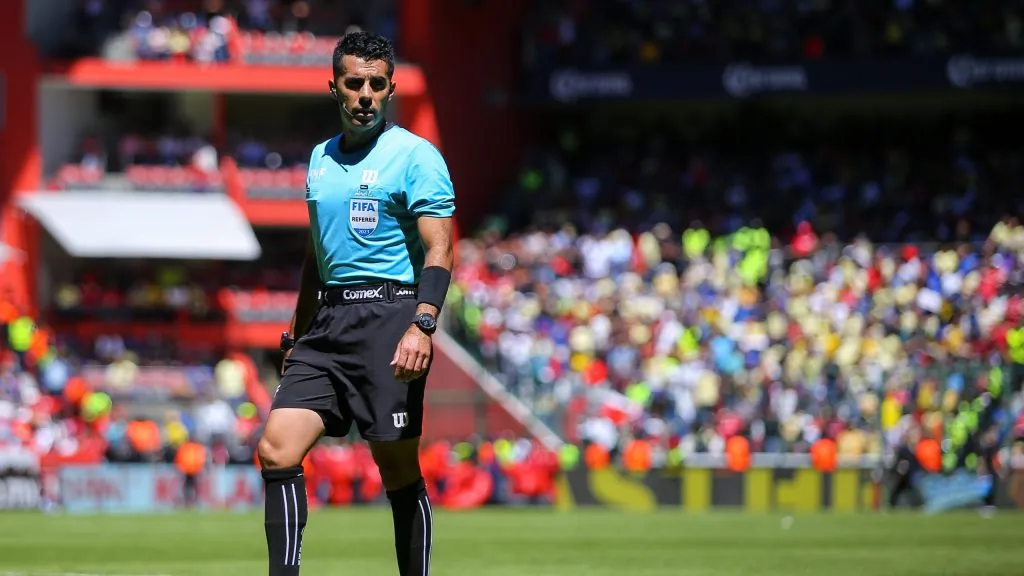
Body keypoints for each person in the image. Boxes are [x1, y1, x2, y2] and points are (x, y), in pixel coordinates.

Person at [257, 31, 455, 576]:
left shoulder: (416, 156)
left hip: (390, 321)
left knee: (396, 471)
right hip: (326, 326)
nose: (365, 93)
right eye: (354, 83)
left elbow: (441, 248)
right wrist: (295, 334)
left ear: (390, 89)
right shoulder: (319, 159)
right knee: (276, 449)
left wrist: (423, 324)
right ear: (335, 88)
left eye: (376, 84)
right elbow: (314, 256)